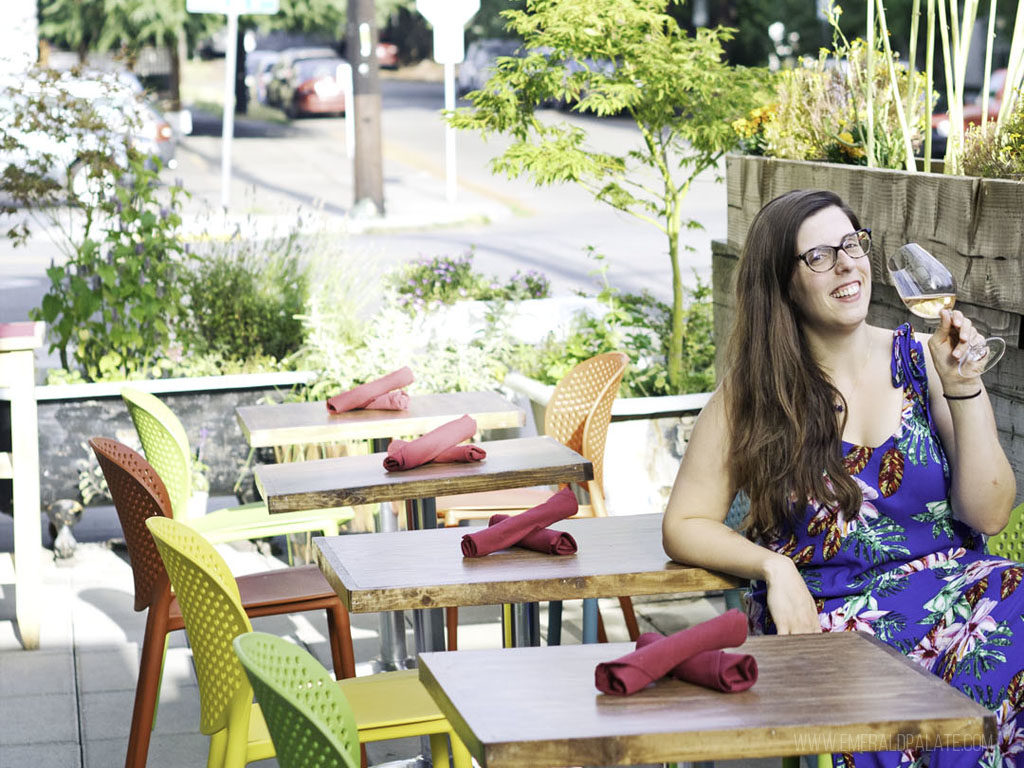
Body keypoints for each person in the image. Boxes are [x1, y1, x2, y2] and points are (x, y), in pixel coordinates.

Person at [662, 189, 1022, 768]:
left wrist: (965, 388)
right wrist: (772, 567)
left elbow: (989, 515)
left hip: (961, 594)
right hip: (836, 615)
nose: (847, 262)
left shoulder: (922, 358)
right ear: (783, 283)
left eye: (852, 244)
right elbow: (683, 523)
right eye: (819, 256)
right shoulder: (753, 396)